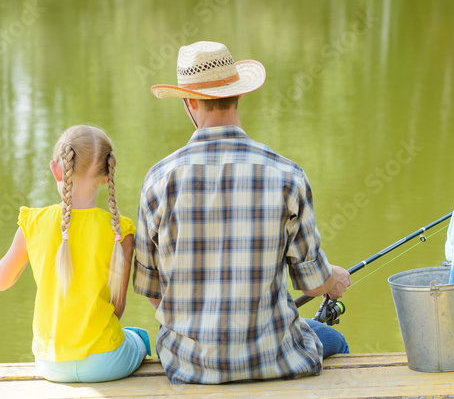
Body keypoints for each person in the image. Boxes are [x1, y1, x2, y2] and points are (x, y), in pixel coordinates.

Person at [134, 40, 350, 384]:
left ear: (190, 102)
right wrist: (333, 278)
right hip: (275, 356)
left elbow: (150, 288)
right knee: (334, 340)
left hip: (187, 364)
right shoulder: (287, 175)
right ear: (239, 94)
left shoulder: (158, 181)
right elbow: (313, 284)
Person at [0, 125, 150, 382]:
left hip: (50, 365)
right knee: (138, 337)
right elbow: (117, 308)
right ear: (106, 176)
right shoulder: (120, 231)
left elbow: (0, 282)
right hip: (106, 362)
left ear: (57, 169)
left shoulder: (33, 222)